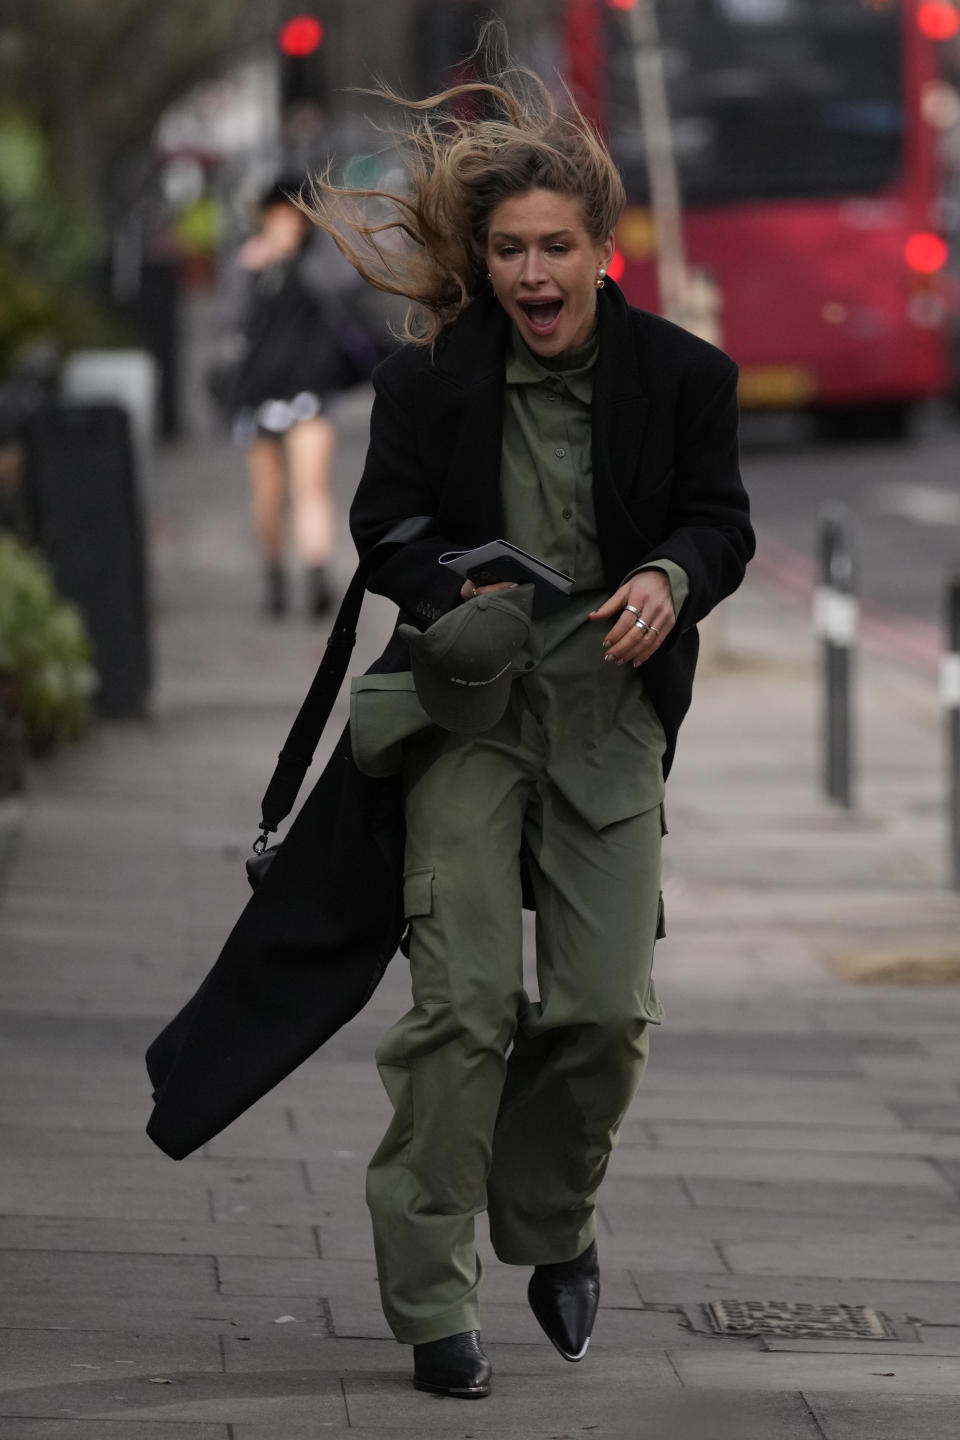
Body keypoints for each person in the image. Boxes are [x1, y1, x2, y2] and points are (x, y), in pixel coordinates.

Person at [302, 35, 754, 1400]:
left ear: (602, 246)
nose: (535, 276)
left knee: (606, 1016)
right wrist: (457, 580)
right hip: (467, 723)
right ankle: (432, 1300)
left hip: (608, 730)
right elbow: (383, 535)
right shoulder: (432, 379)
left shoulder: (682, 377)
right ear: (484, 258)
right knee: (465, 1011)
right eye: (510, 251)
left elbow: (720, 523)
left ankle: (549, 1220)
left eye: (557, 248)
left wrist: (672, 580)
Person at [222, 179, 348, 618]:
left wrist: (294, 258)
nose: (287, 223)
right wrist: (255, 267)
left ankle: (316, 574)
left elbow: (341, 290)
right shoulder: (246, 262)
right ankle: (275, 576)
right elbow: (233, 319)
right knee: (268, 492)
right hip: (260, 393)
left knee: (311, 485)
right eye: (279, 213)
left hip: (309, 391)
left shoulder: (318, 259)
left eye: (295, 214)